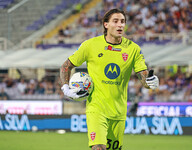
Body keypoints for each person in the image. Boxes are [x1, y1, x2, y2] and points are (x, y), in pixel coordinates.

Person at [60, 9, 159, 150]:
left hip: (119, 112)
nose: (120, 25)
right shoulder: (90, 45)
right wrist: (65, 88)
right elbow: (66, 66)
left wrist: (150, 81)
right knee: (99, 147)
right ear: (106, 24)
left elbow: (143, 76)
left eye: (123, 22)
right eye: (116, 21)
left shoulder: (133, 49)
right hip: (97, 109)